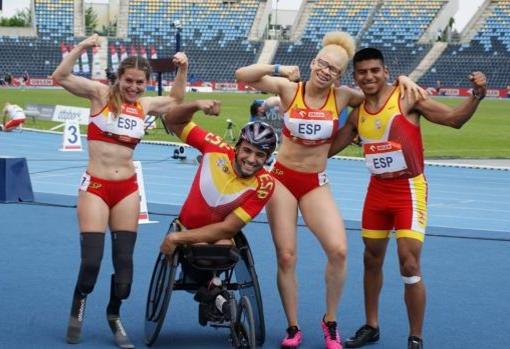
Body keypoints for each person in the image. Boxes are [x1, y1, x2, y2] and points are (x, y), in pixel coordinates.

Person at [235, 31, 425, 349]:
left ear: (339, 75)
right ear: (314, 62)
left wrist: (403, 78)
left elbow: (380, 92)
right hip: (282, 178)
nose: (326, 71)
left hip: (314, 182)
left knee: (338, 251)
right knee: (286, 255)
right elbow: (243, 75)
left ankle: (330, 322)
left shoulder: (343, 96)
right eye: (323, 64)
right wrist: (281, 69)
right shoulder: (288, 88)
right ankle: (293, 327)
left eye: (334, 69)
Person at [327, 48, 487, 349]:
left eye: (375, 70)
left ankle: (415, 337)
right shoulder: (358, 112)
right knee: (371, 259)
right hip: (377, 191)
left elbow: (454, 120)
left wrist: (476, 95)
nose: (369, 76)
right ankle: (371, 326)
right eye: (362, 72)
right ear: (355, 76)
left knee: (409, 264)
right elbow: (329, 149)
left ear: (385, 71)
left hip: (408, 191)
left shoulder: (407, 97)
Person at [51, 33, 189, 348]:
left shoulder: (145, 105)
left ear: (146, 83)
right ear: (119, 77)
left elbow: (177, 99)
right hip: (96, 188)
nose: (133, 87)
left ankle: (114, 315)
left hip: (127, 189)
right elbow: (60, 76)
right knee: (91, 263)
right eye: (129, 81)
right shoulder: (100, 94)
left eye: (140, 82)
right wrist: (83, 47)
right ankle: (79, 305)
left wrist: (182, 69)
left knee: (124, 269)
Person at [159, 100, 277, 263]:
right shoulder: (215, 146)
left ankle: (212, 285)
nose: (251, 159)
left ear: (268, 158)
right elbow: (172, 120)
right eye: (247, 150)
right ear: (237, 147)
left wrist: (176, 238)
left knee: (222, 246)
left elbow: (228, 228)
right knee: (203, 247)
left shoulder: (265, 184)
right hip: (187, 227)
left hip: (220, 237)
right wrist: (197, 105)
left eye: (260, 155)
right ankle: (211, 283)